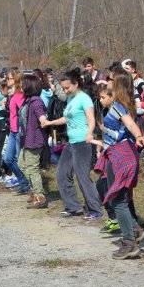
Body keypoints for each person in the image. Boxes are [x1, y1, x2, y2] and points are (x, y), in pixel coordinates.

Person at [91, 77, 144, 257]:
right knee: (116, 196)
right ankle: (134, 229)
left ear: (114, 93)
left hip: (121, 156)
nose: (108, 82)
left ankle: (130, 242)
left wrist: (140, 137)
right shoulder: (114, 109)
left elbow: (130, 123)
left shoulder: (118, 107)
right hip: (116, 155)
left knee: (118, 200)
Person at [42, 69, 104, 219]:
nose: (66, 90)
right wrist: (50, 122)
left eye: (68, 87)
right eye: (63, 88)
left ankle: (95, 210)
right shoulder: (70, 99)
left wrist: (89, 133)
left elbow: (91, 120)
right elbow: (66, 118)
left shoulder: (84, 99)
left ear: (76, 84)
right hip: (71, 143)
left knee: (82, 177)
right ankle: (73, 207)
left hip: (83, 143)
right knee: (62, 174)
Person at [18, 74, 48, 208]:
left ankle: (39, 196)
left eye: (23, 84)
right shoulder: (28, 100)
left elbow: (41, 114)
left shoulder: (36, 101)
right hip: (26, 139)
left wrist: (43, 120)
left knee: (32, 168)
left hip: (34, 140)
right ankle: (34, 189)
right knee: (22, 164)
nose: (21, 86)